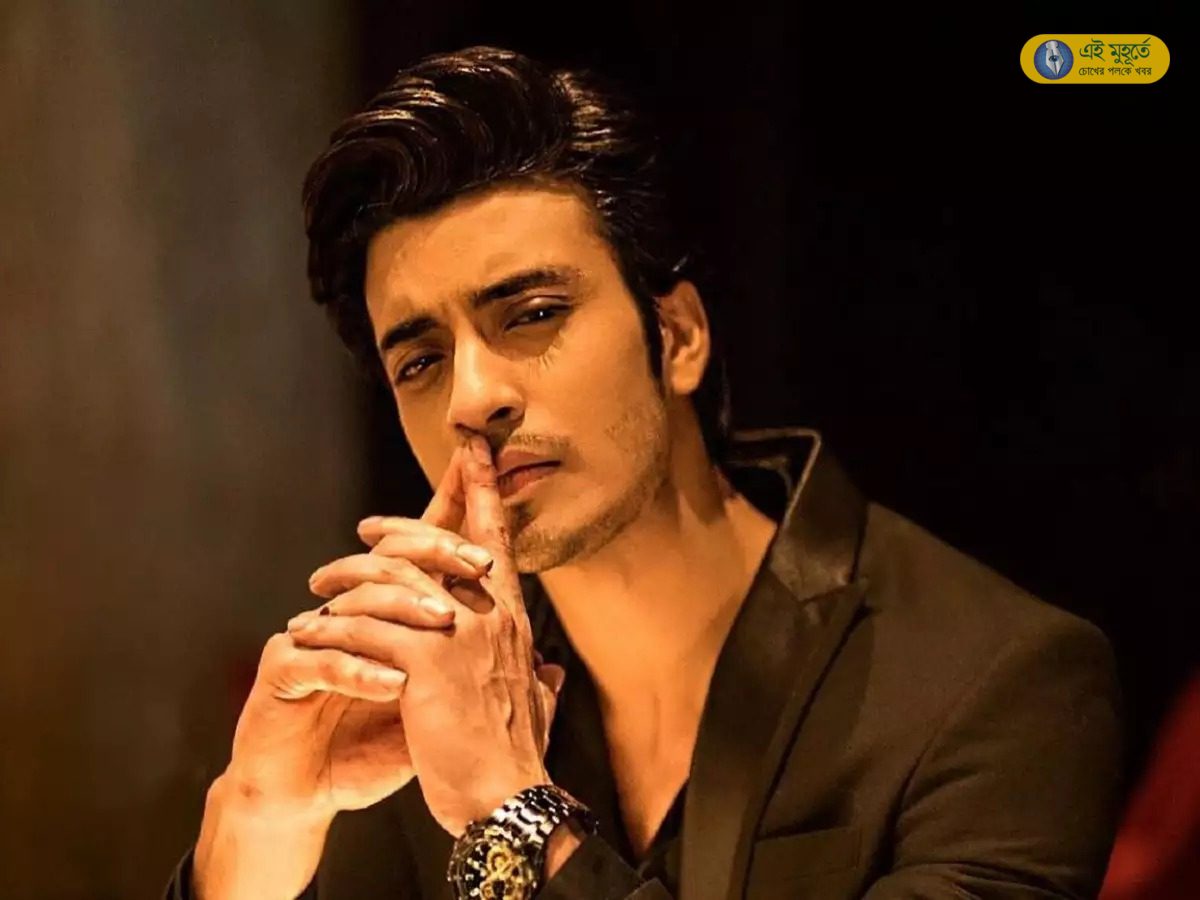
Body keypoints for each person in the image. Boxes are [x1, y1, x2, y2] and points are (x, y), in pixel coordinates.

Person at [165, 46, 1123, 900]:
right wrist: (258, 820)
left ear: (678, 335)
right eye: (420, 360)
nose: (472, 397)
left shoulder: (996, 685)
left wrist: (512, 812)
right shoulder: (421, 702)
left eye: (532, 314)